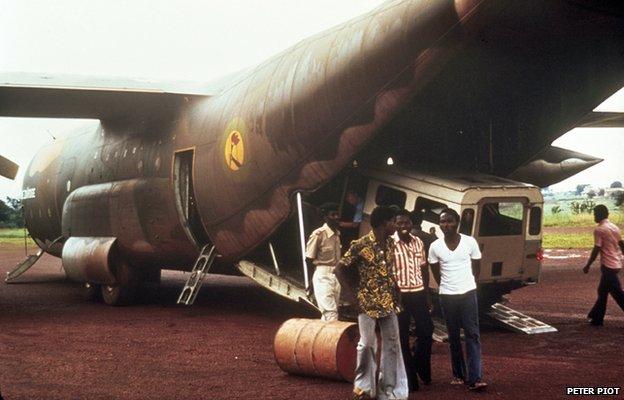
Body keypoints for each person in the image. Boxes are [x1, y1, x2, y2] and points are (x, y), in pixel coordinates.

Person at [335, 206, 408, 400]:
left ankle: (389, 390)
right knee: (367, 344)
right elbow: (339, 270)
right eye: (393, 221)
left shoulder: (391, 244)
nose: (396, 225)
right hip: (366, 303)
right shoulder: (360, 244)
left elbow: (390, 271)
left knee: (392, 344)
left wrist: (397, 292)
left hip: (388, 302)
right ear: (385, 223)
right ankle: (363, 388)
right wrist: (351, 298)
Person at [428, 208, 487, 391]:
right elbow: (436, 272)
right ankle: (458, 374)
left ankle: (475, 377)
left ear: (457, 222)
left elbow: (476, 266)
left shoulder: (470, 242)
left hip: (468, 293)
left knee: (472, 334)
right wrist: (446, 286)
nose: (446, 225)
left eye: (450, 221)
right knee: (453, 336)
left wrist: (470, 284)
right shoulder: (435, 246)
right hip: (447, 296)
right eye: (443, 221)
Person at [392, 209, 433, 392]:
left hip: (418, 293)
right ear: (394, 225)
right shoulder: (390, 244)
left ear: (412, 224)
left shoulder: (418, 242)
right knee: (402, 337)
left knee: (427, 330)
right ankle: (409, 378)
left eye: (406, 223)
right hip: (399, 296)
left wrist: (427, 294)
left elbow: (423, 269)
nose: (403, 227)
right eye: (399, 223)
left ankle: (419, 363)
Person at [582, 204, 624, 326]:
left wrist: (588, 265)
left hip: (608, 266)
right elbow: (621, 244)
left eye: (595, 214)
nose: (594, 216)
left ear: (600, 215)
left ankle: (596, 317)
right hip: (616, 263)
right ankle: (596, 317)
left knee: (618, 294)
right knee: (602, 291)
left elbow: (596, 249)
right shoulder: (614, 227)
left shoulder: (599, 230)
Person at [305, 202, 342, 322]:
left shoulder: (337, 235)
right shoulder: (318, 235)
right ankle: (332, 340)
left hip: (336, 276)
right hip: (322, 275)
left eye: (337, 214)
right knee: (331, 313)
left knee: (331, 312)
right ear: (325, 217)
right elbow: (309, 259)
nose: (336, 217)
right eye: (333, 215)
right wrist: (310, 281)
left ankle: (321, 340)